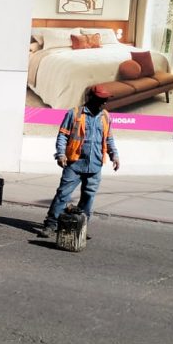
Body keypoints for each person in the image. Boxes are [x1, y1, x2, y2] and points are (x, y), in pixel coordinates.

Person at [39, 85, 120, 240]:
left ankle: (80, 227)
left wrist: (114, 155)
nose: (104, 103)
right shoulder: (75, 113)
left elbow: (108, 138)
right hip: (75, 163)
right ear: (91, 98)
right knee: (63, 195)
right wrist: (61, 154)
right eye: (101, 100)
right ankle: (51, 225)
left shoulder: (106, 116)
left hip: (95, 165)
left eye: (105, 100)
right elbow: (63, 135)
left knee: (88, 197)